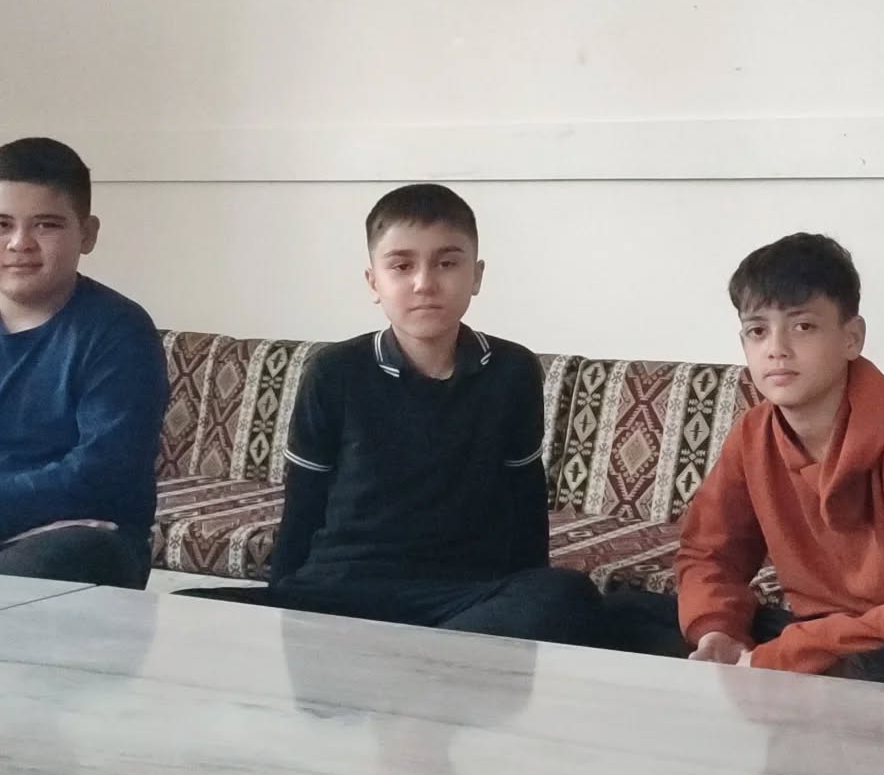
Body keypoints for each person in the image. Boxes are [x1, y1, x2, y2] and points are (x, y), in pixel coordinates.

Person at [607, 233, 884, 691]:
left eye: (803, 326)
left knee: (879, 673)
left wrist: (784, 655)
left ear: (852, 338)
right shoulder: (752, 435)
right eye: (758, 331)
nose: (777, 348)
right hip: (825, 636)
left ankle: (776, 686)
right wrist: (718, 632)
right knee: (624, 615)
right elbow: (710, 553)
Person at [190, 184, 600, 644]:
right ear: (374, 282)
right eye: (402, 266)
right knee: (181, 614)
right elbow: (304, 502)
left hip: (463, 594)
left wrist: (530, 598)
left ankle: (400, 659)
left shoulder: (511, 370)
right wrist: (284, 611)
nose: (424, 283)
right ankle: (424, 661)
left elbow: (525, 498)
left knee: (563, 595)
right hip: (343, 589)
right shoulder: (334, 371)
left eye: (447, 263)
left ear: (476, 275)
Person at [0, 137, 167, 588]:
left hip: (70, 535)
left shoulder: (119, 331)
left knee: (69, 556)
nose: (19, 243)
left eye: (46, 224)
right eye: (2, 224)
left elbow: (99, 474)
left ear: (87, 234)